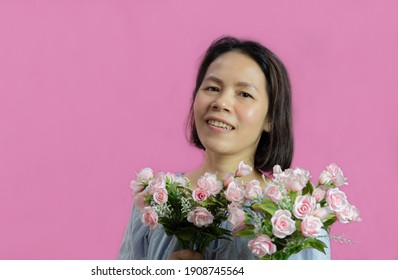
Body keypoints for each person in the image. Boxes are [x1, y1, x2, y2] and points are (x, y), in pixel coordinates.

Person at [118, 36, 331, 260]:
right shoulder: (155, 201)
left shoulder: (297, 217)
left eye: (244, 94)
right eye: (212, 88)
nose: (221, 102)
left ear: (271, 118)